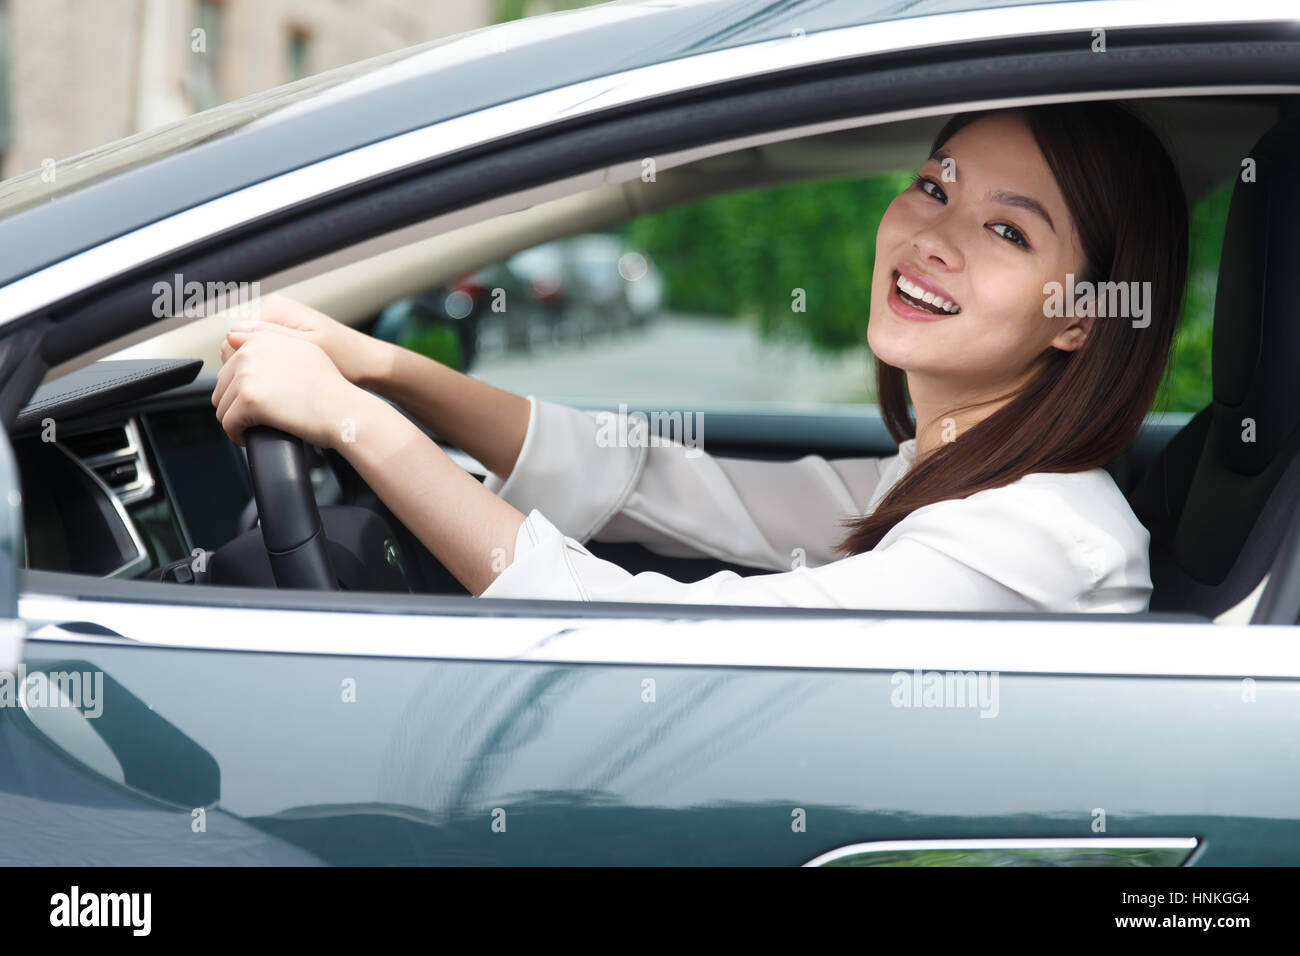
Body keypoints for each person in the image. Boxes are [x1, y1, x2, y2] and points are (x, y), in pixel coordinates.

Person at [212, 102, 1189, 612]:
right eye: (936, 186)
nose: (936, 236)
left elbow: (656, 641)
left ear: (1083, 320)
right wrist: (382, 367)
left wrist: (354, 422)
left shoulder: (1037, 539)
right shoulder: (956, 476)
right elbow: (654, 477)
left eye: (1008, 233)